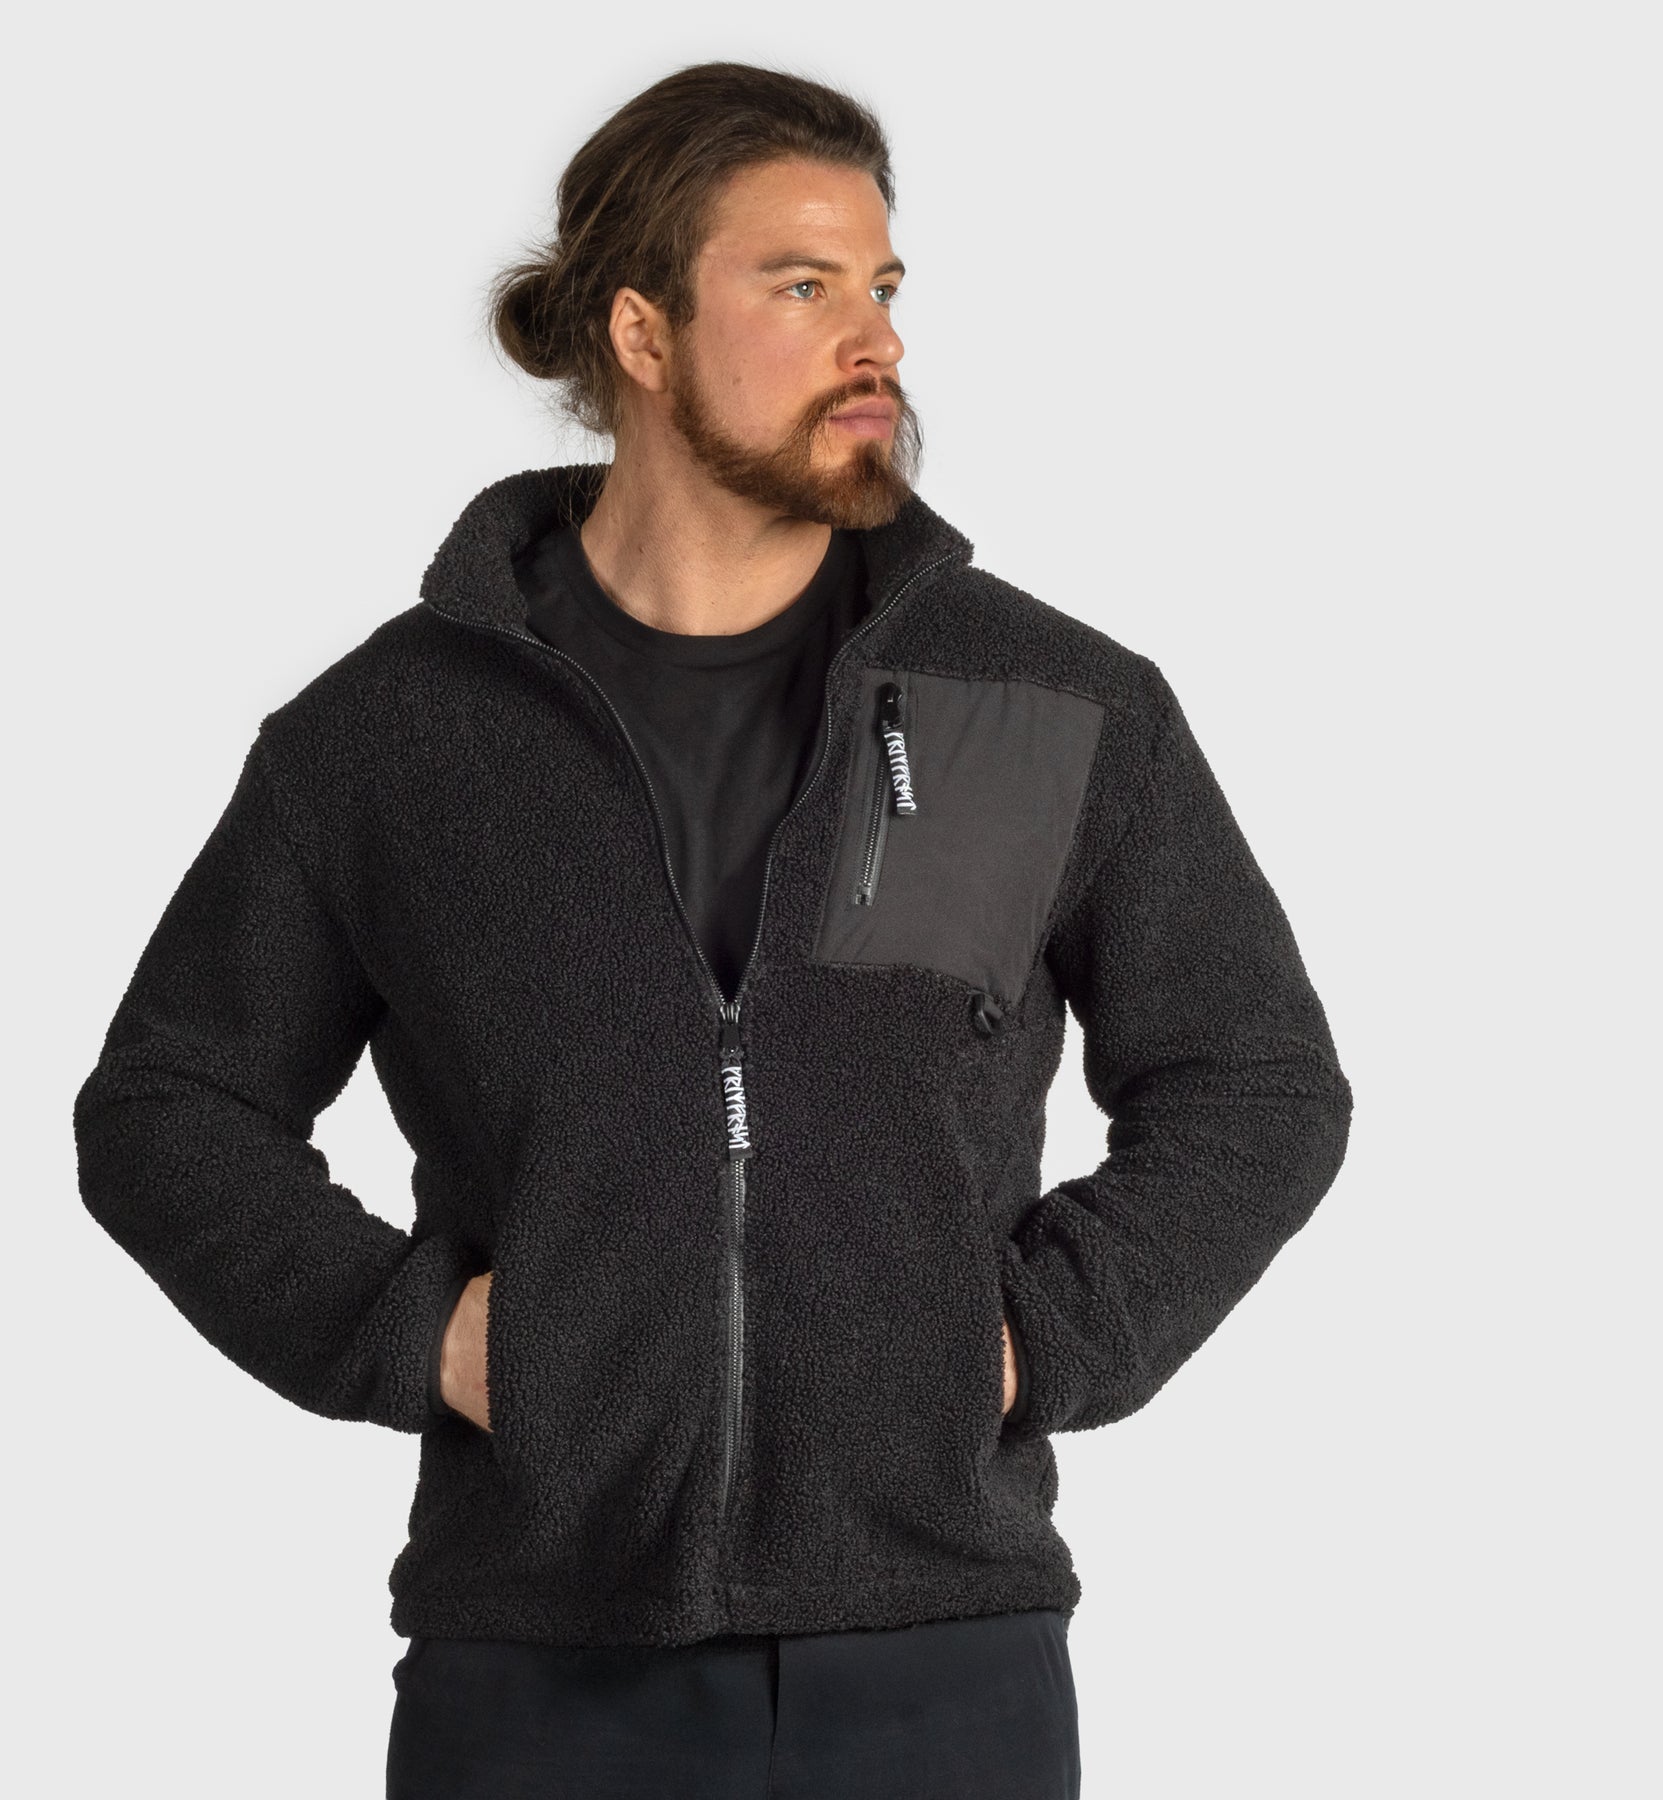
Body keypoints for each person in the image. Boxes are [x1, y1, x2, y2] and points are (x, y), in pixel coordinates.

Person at [74, 60, 1353, 1800]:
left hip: (941, 1659)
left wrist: (1034, 1341)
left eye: (884, 286)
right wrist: (425, 1336)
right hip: (537, 1672)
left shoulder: (1028, 703)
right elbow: (169, 1109)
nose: (876, 341)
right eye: (803, 285)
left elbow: (1256, 1081)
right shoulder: (393, 741)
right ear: (643, 334)